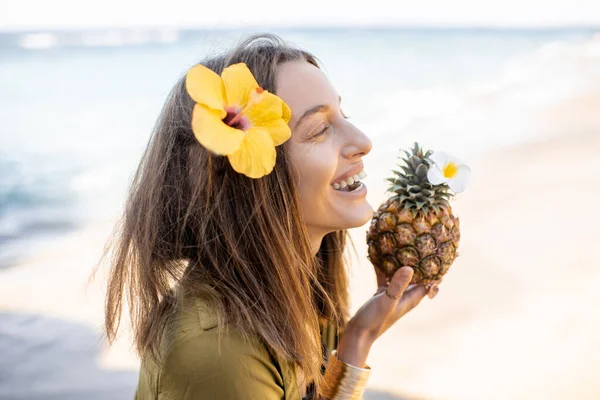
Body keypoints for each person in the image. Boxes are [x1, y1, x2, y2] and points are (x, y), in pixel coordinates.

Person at [102, 33, 440, 400]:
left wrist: (357, 339)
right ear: (253, 180)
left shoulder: (298, 290)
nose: (363, 140)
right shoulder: (220, 357)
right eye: (319, 129)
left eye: (344, 115)